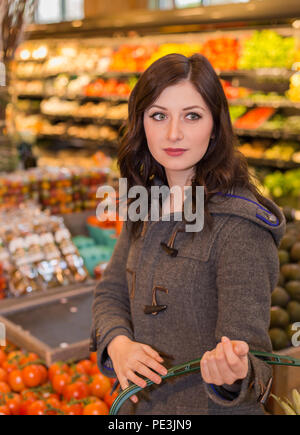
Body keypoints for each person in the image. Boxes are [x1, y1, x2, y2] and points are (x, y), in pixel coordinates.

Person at [90, 53, 286, 415]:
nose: (173, 133)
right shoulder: (146, 200)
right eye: (159, 115)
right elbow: (111, 289)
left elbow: (255, 359)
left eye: (192, 116)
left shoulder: (239, 226)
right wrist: (117, 342)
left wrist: (233, 373)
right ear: (140, 123)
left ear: (215, 125)